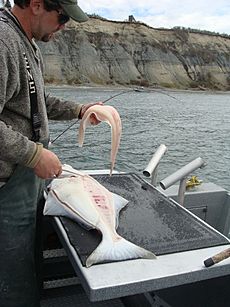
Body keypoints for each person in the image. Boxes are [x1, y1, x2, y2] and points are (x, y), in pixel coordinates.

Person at [0, 1, 101, 306]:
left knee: (30, 264)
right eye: (63, 17)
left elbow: (35, 101)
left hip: (26, 182)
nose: (64, 26)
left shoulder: (25, 43)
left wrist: (79, 110)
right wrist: (34, 155)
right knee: (13, 278)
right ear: (36, 5)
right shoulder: (3, 42)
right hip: (7, 190)